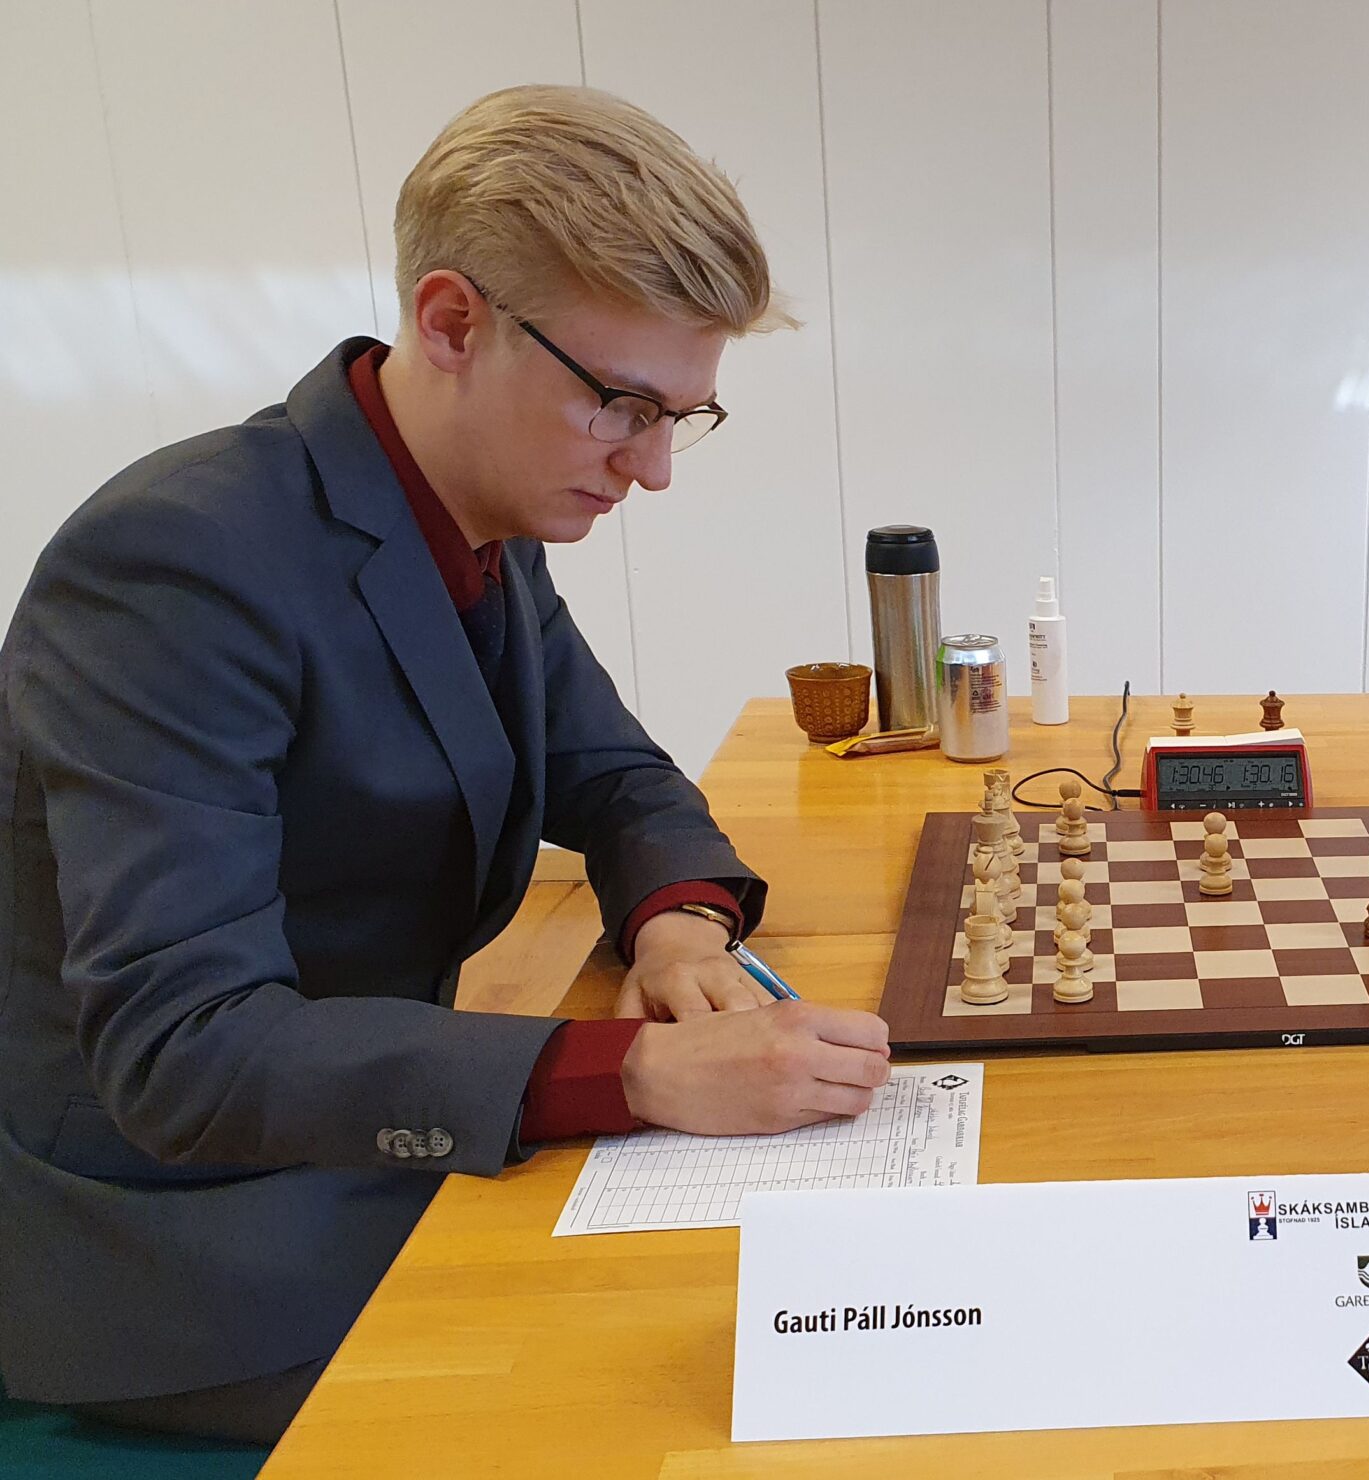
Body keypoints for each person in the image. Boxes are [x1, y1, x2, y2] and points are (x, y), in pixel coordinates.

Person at [0, 86, 892, 1442]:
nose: (654, 470)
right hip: (176, 1228)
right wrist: (632, 1073)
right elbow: (184, 1050)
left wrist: (677, 926)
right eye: (621, 406)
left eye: (683, 416)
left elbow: (617, 776)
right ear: (453, 322)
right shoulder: (176, 564)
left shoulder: (481, 518)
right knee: (674, 1384)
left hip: (359, 1127)